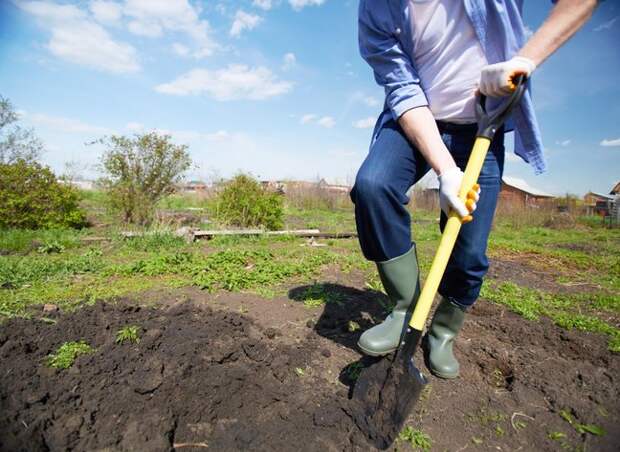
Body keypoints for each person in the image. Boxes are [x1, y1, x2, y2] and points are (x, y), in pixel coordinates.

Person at [351, 0, 598, 379]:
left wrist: (526, 60)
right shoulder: (376, 9)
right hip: (416, 123)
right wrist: (447, 171)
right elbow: (401, 89)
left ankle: (444, 332)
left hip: (483, 127)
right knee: (373, 186)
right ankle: (404, 310)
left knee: (469, 248)